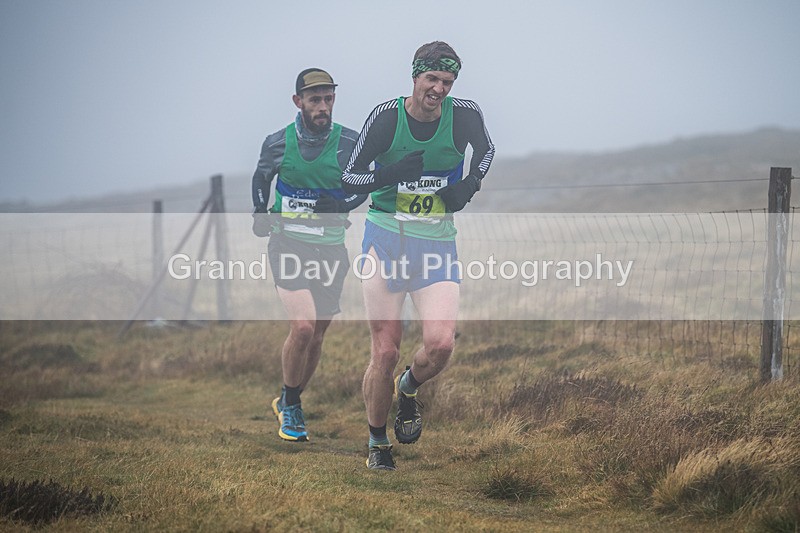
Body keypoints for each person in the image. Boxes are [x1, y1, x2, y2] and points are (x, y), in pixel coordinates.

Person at [342, 42, 495, 469]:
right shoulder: (386, 117)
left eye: (447, 82)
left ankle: (408, 390)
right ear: (415, 76)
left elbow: (486, 152)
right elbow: (349, 178)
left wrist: (468, 186)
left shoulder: (464, 114)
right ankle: (377, 442)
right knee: (385, 351)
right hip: (386, 239)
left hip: (436, 242)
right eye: (432, 79)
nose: (439, 89)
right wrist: (389, 174)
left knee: (441, 344)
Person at [251, 68, 366, 442]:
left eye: (328, 99)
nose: (322, 107)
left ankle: (291, 399)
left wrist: (341, 201)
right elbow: (261, 177)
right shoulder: (277, 142)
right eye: (314, 99)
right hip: (288, 243)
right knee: (301, 327)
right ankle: (291, 403)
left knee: (316, 336)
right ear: (298, 101)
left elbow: (364, 186)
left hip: (330, 248)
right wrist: (259, 212)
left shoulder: (349, 142)